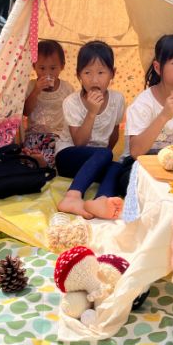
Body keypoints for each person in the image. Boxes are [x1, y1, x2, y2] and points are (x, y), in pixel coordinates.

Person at [55, 41, 126, 220]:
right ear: (78, 75)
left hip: (96, 160)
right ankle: (72, 197)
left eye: (101, 73)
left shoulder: (117, 100)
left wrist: (104, 158)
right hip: (68, 157)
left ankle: (101, 200)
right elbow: (79, 143)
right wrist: (92, 112)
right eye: (87, 73)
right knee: (104, 154)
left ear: (113, 74)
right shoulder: (71, 102)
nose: (94, 80)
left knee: (116, 166)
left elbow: (114, 133)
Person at [123, 33, 173, 162]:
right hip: (138, 163)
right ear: (158, 68)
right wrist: (164, 116)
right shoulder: (144, 103)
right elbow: (135, 152)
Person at [22, 40, 74, 167]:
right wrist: (36, 91)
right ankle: (36, 160)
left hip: (57, 136)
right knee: (26, 152)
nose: (47, 73)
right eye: (42, 68)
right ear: (34, 66)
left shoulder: (67, 88)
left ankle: (43, 163)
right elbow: (26, 112)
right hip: (34, 134)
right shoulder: (31, 86)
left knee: (60, 152)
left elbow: (74, 114)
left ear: (62, 66)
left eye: (53, 68)